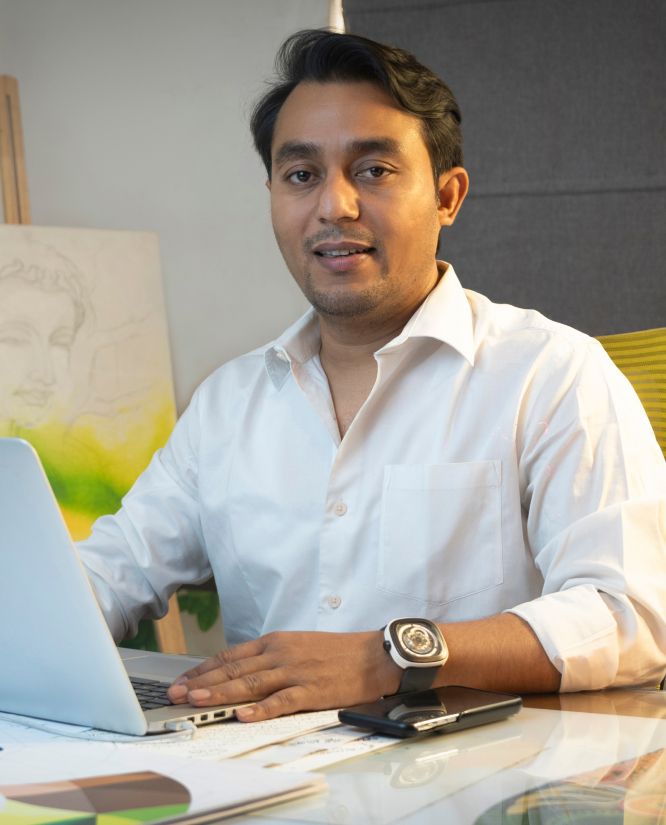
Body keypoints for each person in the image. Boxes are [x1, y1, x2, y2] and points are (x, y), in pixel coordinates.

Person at [78, 29, 666, 721]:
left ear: (447, 196)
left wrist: (384, 659)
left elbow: (630, 615)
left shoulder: (551, 372)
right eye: (301, 175)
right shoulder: (227, 403)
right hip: (257, 768)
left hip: (481, 771)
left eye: (374, 170)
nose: (334, 206)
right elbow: (112, 570)